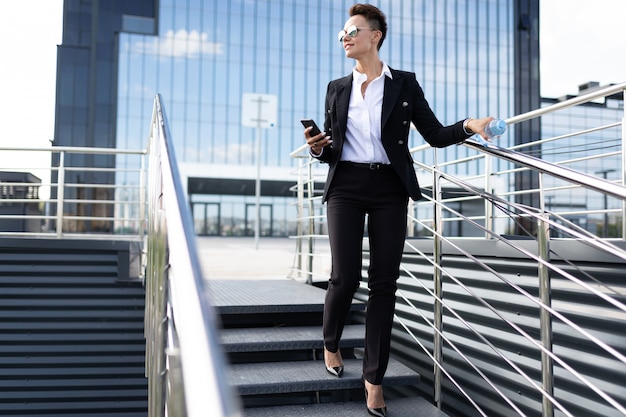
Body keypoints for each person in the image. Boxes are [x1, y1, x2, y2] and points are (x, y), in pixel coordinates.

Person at [303, 4, 493, 416]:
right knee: (344, 274)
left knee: (383, 285)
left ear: (375, 36)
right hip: (346, 186)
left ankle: (374, 380)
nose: (344, 37)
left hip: (390, 187)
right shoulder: (337, 87)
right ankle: (331, 342)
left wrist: (468, 127)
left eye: (352, 30)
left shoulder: (403, 84)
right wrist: (320, 147)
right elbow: (332, 146)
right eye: (341, 33)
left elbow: (435, 134)